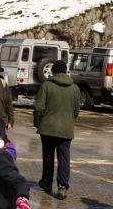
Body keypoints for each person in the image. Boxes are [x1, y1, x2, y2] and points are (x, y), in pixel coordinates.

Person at [33, 60, 80, 200]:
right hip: (66, 129)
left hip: (47, 128)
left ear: (53, 71)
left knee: (48, 156)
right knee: (64, 158)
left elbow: (39, 107)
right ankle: (62, 186)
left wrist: (38, 123)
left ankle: (47, 182)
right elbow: (76, 110)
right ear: (65, 71)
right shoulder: (75, 88)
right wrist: (69, 121)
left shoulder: (46, 85)